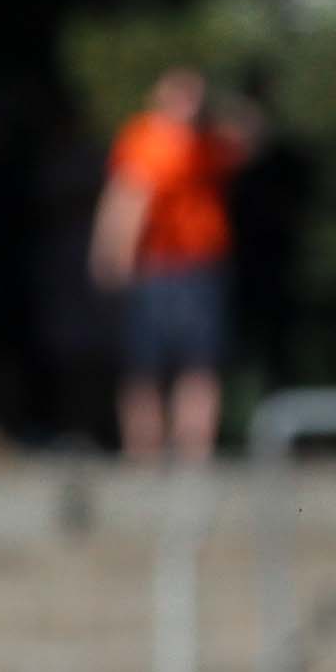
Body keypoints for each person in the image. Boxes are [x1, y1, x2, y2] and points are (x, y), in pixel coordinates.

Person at [93, 66, 250, 467]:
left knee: (200, 364)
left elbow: (251, 137)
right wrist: (114, 253)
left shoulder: (208, 141)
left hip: (202, 265)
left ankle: (194, 454)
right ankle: (143, 454)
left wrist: (219, 112)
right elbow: (128, 196)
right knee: (144, 366)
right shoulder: (145, 138)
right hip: (155, 266)